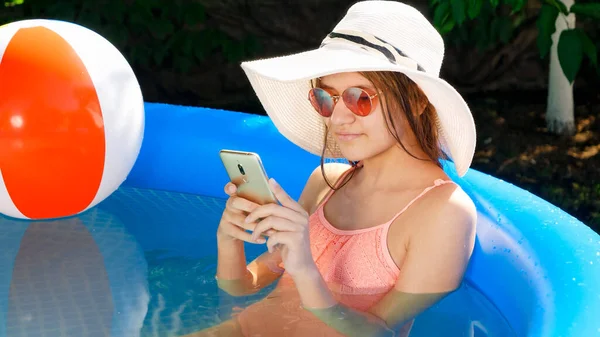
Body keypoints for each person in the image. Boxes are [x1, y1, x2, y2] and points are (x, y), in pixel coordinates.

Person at [183, 1, 477, 336]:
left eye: (360, 97)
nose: (337, 118)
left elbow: (377, 331)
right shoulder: (326, 183)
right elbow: (239, 289)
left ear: (418, 100)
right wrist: (229, 240)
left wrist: (306, 270)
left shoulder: (444, 212)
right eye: (326, 98)